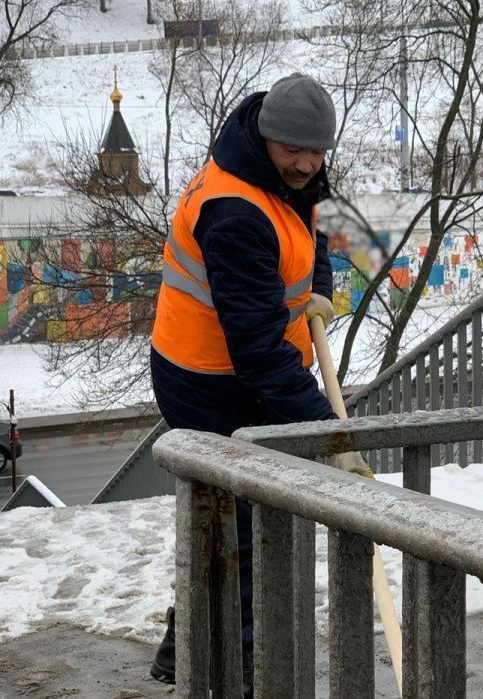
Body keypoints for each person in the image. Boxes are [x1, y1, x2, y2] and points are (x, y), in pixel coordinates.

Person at [148, 73, 347, 691]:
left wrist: (316, 289)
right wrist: (331, 435)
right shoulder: (234, 211)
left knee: (227, 523)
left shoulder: (281, 177)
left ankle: (181, 651)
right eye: (295, 151)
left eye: (318, 152)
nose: (308, 164)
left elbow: (305, 231)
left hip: (240, 371)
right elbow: (260, 354)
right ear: (266, 138)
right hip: (206, 379)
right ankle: (246, 672)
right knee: (244, 533)